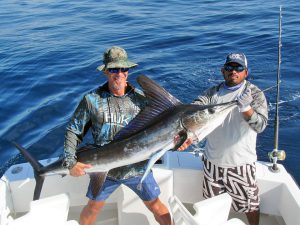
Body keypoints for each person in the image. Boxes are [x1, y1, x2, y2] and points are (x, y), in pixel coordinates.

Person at [62, 46, 172, 225]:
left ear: (128, 72)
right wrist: (70, 162)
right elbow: (73, 131)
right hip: (105, 170)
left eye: (123, 69)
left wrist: (180, 141)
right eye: (113, 69)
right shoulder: (92, 100)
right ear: (105, 71)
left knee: (155, 205)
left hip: (137, 168)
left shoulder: (143, 100)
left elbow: (162, 132)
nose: (119, 74)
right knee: (93, 208)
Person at [179, 53, 268, 225]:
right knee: (212, 207)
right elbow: (196, 108)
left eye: (238, 68)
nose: (233, 71)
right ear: (223, 71)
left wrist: (247, 109)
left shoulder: (255, 94)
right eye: (229, 67)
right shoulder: (212, 93)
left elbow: (261, 126)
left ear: (246, 72)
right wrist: (187, 135)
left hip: (241, 165)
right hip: (212, 164)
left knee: (250, 206)